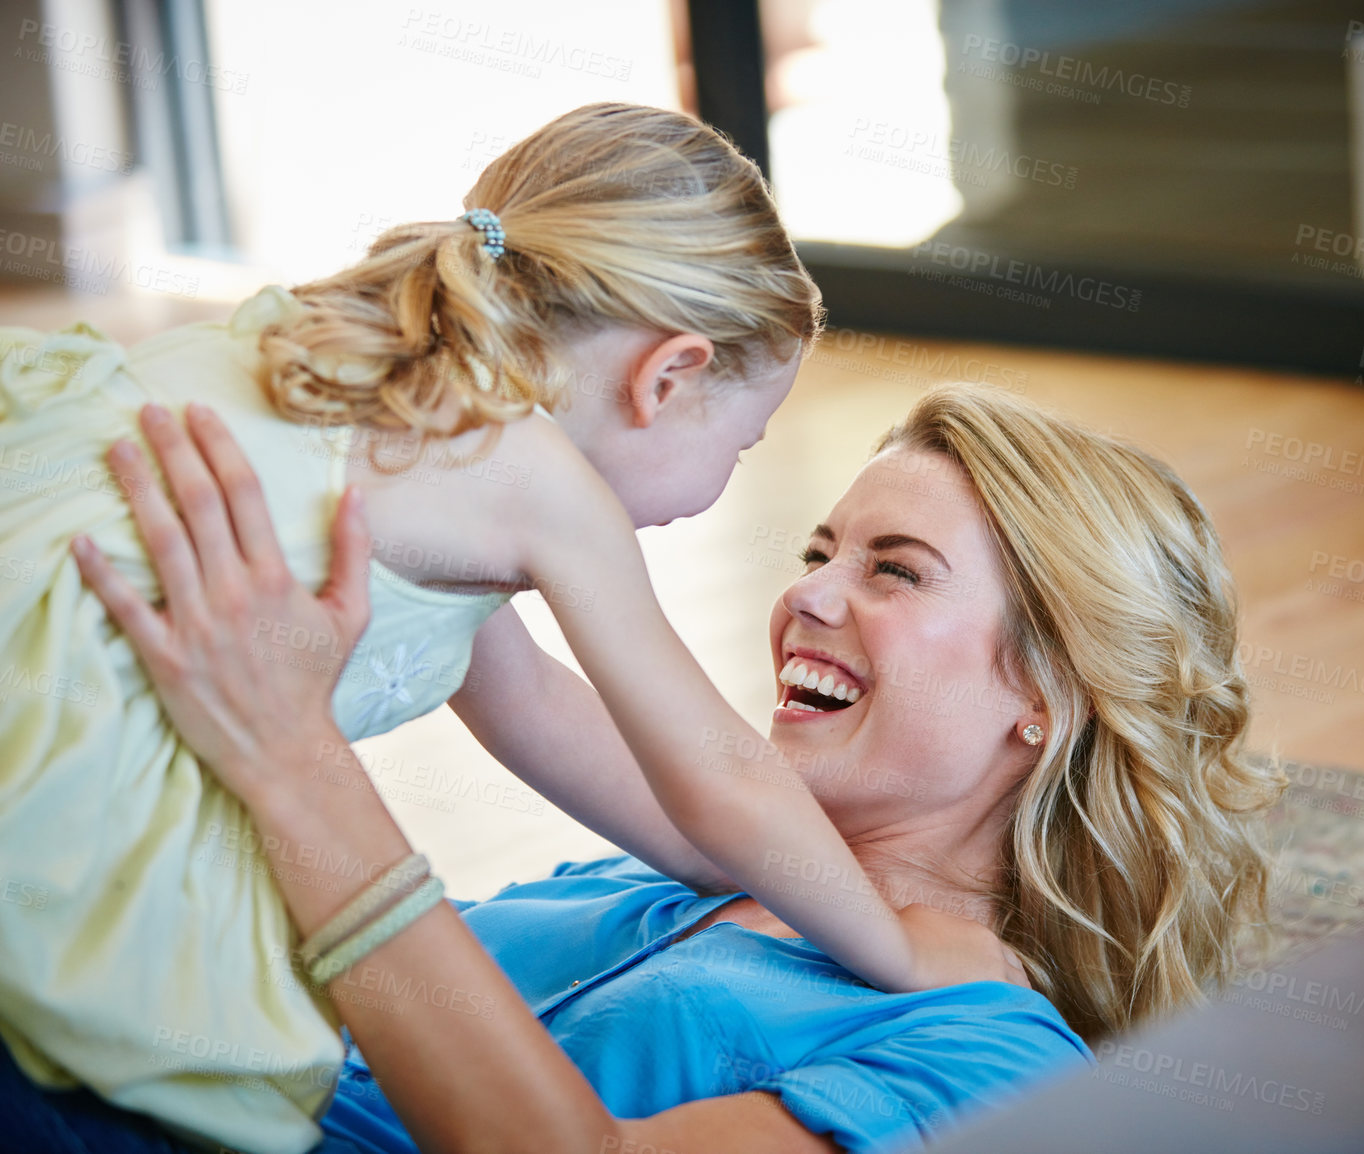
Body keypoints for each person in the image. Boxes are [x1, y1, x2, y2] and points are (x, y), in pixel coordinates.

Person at [0, 102, 1013, 1154]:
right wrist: (898, 950)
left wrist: (736, 867)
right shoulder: (537, 482)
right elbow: (722, 773)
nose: (728, 481)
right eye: (744, 443)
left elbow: (528, 701)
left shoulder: (382, 387)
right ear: (666, 375)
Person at [34, 382, 1285, 1152]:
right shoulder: (677, 877)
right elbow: (501, 657)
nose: (808, 593)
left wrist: (295, 757)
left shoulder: (995, 1063)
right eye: (820, 548)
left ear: (1048, 695)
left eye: (894, 569)